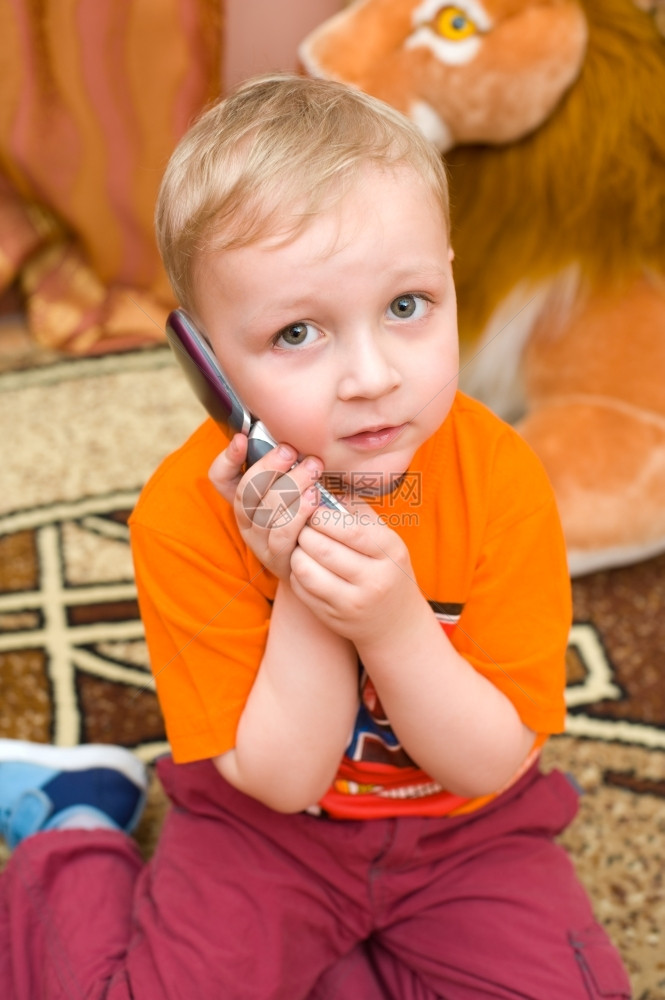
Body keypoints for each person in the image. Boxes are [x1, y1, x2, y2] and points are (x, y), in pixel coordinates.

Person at [0, 75, 631, 999]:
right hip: (265, 834)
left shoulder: (502, 479)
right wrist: (303, 580)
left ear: (451, 279)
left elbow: (492, 761)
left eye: (407, 306)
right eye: (298, 331)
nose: (371, 376)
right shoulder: (182, 516)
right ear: (206, 361)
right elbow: (280, 781)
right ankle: (74, 834)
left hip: (464, 835)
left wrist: (396, 628)